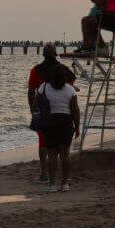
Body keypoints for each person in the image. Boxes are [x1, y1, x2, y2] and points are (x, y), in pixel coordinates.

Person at [27, 43, 76, 183]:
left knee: (44, 144)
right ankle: (66, 177)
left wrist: (33, 110)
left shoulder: (36, 70)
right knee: (64, 149)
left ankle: (45, 174)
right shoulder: (63, 70)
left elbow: (31, 92)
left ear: (43, 54)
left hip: (44, 113)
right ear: (56, 54)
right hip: (64, 113)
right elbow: (72, 86)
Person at [35, 64, 80, 192]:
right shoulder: (70, 90)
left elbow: (37, 105)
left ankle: (52, 184)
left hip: (50, 122)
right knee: (65, 154)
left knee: (52, 154)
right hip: (66, 122)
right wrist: (77, 127)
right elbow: (75, 110)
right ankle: (65, 183)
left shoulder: (44, 87)